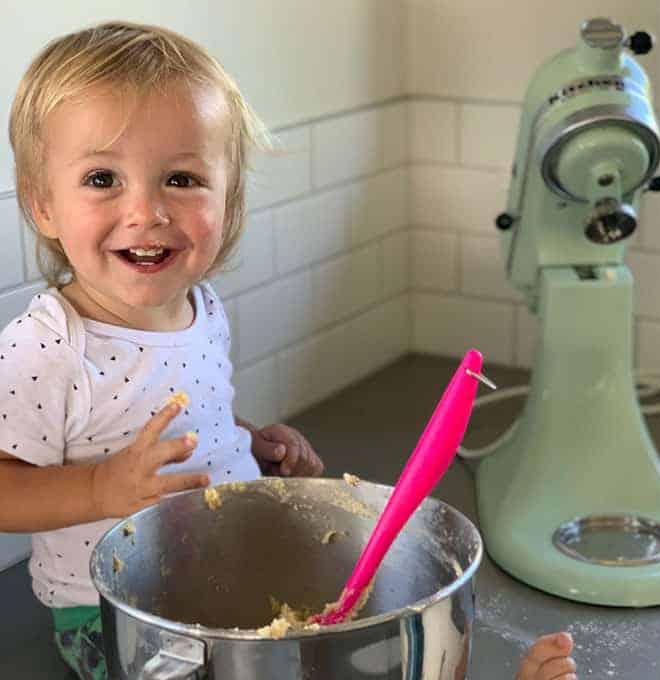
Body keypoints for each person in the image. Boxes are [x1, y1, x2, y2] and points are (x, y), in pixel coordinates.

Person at [0, 21, 577, 680]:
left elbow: (187, 418)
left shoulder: (201, 308)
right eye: (103, 178)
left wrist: (248, 442)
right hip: (117, 617)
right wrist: (101, 489)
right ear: (43, 203)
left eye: (181, 180)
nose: (147, 211)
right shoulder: (47, 347)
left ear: (230, 198)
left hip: (226, 577)